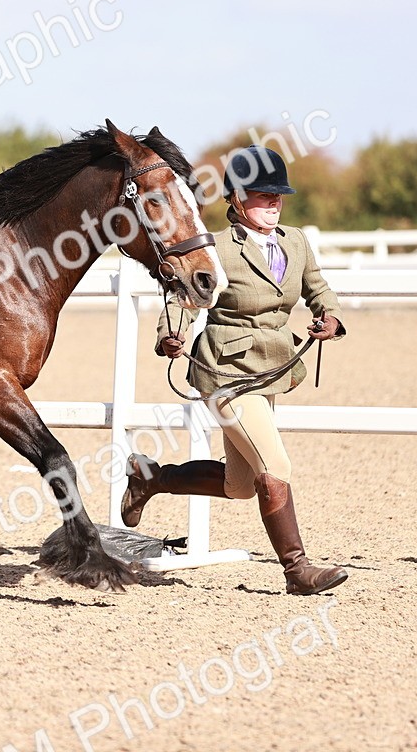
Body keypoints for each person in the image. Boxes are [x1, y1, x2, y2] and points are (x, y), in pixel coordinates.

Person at [121, 145, 349, 595]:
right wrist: (173, 334)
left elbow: (318, 287)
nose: (274, 203)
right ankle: (297, 570)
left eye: (278, 196)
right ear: (237, 200)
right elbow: (184, 295)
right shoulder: (218, 247)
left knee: (240, 484)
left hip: (271, 370)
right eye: (263, 196)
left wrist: (332, 318)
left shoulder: (296, 241)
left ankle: (151, 478)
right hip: (224, 371)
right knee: (274, 463)